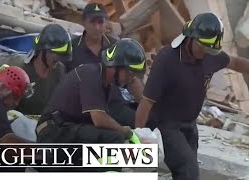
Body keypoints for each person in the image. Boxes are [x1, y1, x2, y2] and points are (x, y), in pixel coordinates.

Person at [136, 12, 249, 180]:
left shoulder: (210, 55)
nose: (205, 52)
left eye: (210, 49)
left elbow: (235, 62)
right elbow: (146, 102)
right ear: (191, 38)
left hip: (190, 124)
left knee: (187, 172)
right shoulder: (167, 60)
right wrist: (139, 133)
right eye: (203, 47)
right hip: (167, 125)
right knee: (188, 168)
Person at [36, 39, 146, 172]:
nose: (130, 78)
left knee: (111, 140)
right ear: (114, 66)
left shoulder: (106, 86)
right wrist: (126, 132)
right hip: (52, 133)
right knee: (114, 139)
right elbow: (99, 118)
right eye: (129, 73)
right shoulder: (91, 74)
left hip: (65, 132)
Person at [64, 3, 142, 128]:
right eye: (92, 22)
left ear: (106, 22)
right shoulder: (71, 48)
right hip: (82, 108)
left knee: (144, 125)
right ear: (83, 22)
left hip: (114, 105)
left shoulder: (116, 47)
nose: (97, 27)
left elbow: (132, 79)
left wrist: (147, 108)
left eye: (101, 22)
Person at [16, 24, 72, 115]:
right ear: (43, 50)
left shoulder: (59, 70)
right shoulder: (22, 72)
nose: (59, 59)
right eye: (56, 54)